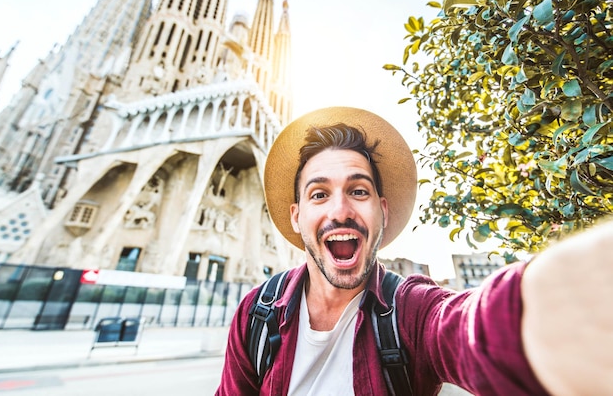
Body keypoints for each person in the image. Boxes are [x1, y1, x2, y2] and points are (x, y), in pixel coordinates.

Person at [216, 106, 613, 395]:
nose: (340, 210)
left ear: (382, 212)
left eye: (359, 191)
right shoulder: (257, 315)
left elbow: (474, 327)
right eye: (319, 194)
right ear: (297, 215)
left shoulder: (411, 313)